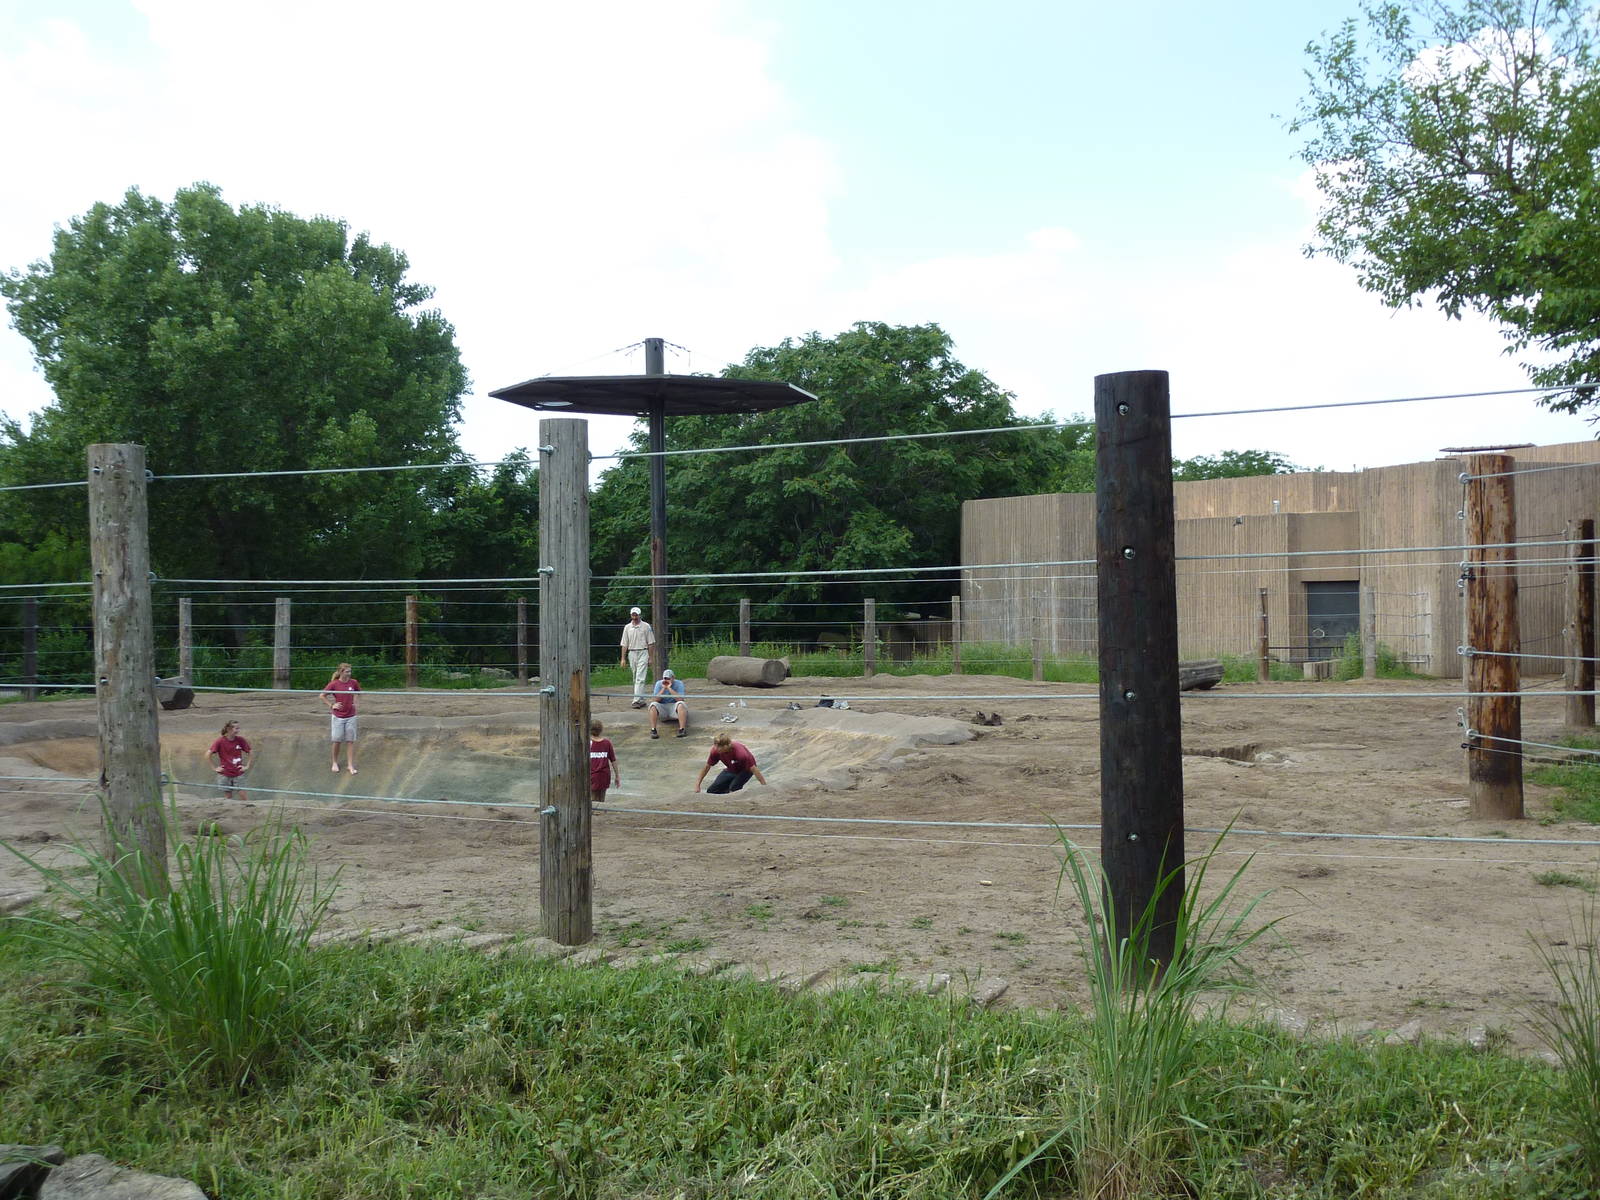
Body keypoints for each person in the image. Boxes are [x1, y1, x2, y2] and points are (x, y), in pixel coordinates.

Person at [694, 730, 767, 793]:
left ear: (726, 746)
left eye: (719, 746)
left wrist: (764, 786)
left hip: (746, 770)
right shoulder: (715, 751)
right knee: (711, 791)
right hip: (731, 769)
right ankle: (726, 792)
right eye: (715, 746)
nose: (717, 749)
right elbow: (707, 767)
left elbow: (754, 769)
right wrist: (697, 785)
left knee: (733, 788)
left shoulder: (741, 754)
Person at [321, 661, 361, 774]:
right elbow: (322, 695)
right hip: (338, 716)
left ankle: (350, 765)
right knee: (337, 740)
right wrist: (332, 705)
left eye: (350, 671)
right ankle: (334, 762)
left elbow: (358, 692)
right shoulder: (334, 684)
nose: (349, 673)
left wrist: (356, 703)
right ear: (341, 672)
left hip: (351, 716)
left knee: (350, 741)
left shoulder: (353, 682)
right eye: (347, 671)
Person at [619, 606, 657, 708]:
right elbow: (624, 644)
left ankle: (636, 700)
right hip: (632, 653)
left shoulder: (646, 626)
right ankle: (641, 699)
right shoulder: (627, 627)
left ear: (639, 615)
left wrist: (650, 657)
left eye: (636, 614)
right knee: (635, 676)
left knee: (640, 677)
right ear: (631, 615)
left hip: (643, 652)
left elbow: (651, 643)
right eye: (633, 614)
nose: (634, 616)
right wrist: (623, 658)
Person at [207, 719, 252, 801]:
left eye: (239, 728)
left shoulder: (240, 740)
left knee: (243, 796)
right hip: (225, 774)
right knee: (228, 798)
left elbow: (250, 752)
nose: (238, 730)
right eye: (236, 728)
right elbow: (208, 754)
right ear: (229, 729)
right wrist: (214, 768)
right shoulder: (220, 741)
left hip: (238, 772)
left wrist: (247, 766)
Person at [648, 668, 688, 739]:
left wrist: (669, 688)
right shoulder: (658, 684)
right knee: (653, 705)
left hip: (674, 707)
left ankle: (682, 729)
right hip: (662, 707)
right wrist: (663, 689)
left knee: (681, 704)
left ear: (673, 678)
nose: (666, 680)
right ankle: (653, 730)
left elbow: (680, 699)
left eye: (668, 678)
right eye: (665, 678)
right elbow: (655, 699)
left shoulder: (679, 683)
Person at [589, 719, 618, 803]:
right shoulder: (607, 743)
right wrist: (617, 776)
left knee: (592, 798)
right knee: (601, 798)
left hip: (592, 776)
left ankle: (595, 813)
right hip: (604, 775)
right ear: (601, 730)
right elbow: (613, 760)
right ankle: (599, 813)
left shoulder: (588, 743)